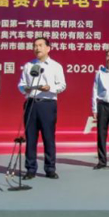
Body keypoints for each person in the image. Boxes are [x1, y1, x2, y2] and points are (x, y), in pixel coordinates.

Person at [17, 37, 66, 179]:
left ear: (48, 48)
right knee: (30, 138)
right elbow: (21, 84)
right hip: (31, 103)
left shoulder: (56, 66)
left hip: (47, 104)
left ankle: (50, 169)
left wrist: (50, 88)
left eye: (40, 45)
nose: (37, 48)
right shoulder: (28, 65)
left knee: (48, 137)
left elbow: (62, 85)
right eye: (35, 46)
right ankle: (30, 169)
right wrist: (24, 89)